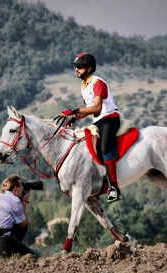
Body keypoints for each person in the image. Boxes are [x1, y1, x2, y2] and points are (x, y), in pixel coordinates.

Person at [60, 52, 122, 203]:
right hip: (98, 121)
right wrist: (74, 118)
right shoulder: (83, 85)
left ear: (88, 68)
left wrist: (75, 110)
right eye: (76, 67)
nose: (76, 70)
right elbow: (88, 108)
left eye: (79, 67)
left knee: (104, 149)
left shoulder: (97, 82)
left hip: (109, 119)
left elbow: (97, 108)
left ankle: (114, 188)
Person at [0, 174, 35, 257]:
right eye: (21, 187)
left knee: (15, 225)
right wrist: (26, 202)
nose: (22, 189)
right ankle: (4, 252)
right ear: (15, 188)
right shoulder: (14, 200)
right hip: (1, 239)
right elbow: (23, 224)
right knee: (31, 256)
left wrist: (22, 203)